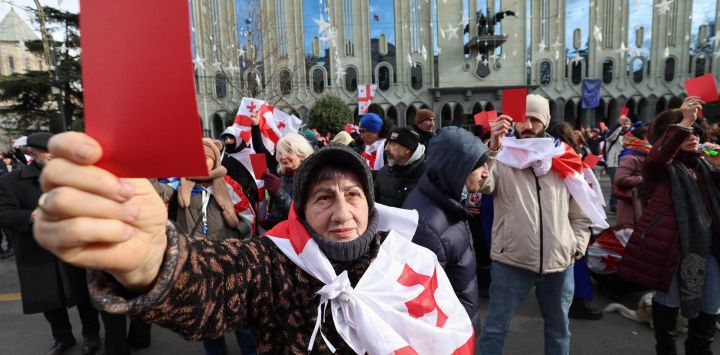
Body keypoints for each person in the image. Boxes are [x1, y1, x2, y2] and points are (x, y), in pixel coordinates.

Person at [34, 135, 475, 353]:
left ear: (370, 203)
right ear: (300, 209)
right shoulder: (273, 264)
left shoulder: (407, 261)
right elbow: (214, 280)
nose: (341, 213)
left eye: (353, 195)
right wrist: (157, 258)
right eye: (323, 197)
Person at [477, 94, 595, 355]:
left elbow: (581, 209)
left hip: (559, 263)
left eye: (534, 119)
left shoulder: (565, 156)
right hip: (511, 263)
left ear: (545, 122)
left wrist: (577, 245)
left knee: (559, 329)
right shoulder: (502, 157)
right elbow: (480, 184)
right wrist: (493, 148)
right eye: (522, 119)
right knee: (495, 328)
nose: (527, 124)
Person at [620, 97, 720, 355]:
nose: (693, 136)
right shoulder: (661, 169)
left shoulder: (706, 167)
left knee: (710, 308)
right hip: (673, 250)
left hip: (709, 250)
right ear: (670, 137)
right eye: (684, 132)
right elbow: (656, 159)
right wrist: (685, 120)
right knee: (669, 306)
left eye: (696, 131)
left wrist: (719, 168)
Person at [0, 132, 101, 355]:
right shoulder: (10, 181)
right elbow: (4, 214)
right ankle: (62, 338)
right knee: (49, 300)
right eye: (47, 151)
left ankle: (91, 336)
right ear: (31, 152)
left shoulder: (76, 176)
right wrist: (30, 217)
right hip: (36, 251)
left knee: (84, 295)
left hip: (73, 247)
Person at [403, 126, 490, 339]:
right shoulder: (429, 225)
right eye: (478, 166)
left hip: (459, 326)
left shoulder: (448, 201)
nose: (486, 172)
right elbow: (425, 305)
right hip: (450, 336)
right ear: (456, 168)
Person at [261, 133, 314, 228]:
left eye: (289, 151)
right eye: (280, 153)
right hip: (279, 232)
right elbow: (278, 211)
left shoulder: (309, 178)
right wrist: (268, 220)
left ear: (301, 155)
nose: (283, 157)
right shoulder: (284, 176)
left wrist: (278, 192)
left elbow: (300, 214)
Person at [373, 127, 426, 208]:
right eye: (387, 143)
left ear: (408, 149)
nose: (386, 148)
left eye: (392, 144)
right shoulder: (383, 172)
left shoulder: (428, 175)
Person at [613, 124, 651, 226]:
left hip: (642, 199)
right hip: (630, 203)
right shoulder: (630, 157)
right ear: (639, 139)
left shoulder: (647, 154)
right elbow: (620, 178)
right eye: (649, 137)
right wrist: (644, 179)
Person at [605, 116, 633, 212]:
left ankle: (620, 204)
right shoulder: (616, 134)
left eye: (628, 123)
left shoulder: (632, 135)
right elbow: (608, 137)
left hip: (626, 162)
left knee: (623, 184)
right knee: (615, 183)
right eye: (624, 123)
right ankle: (614, 205)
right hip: (614, 162)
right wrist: (618, 125)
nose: (626, 125)